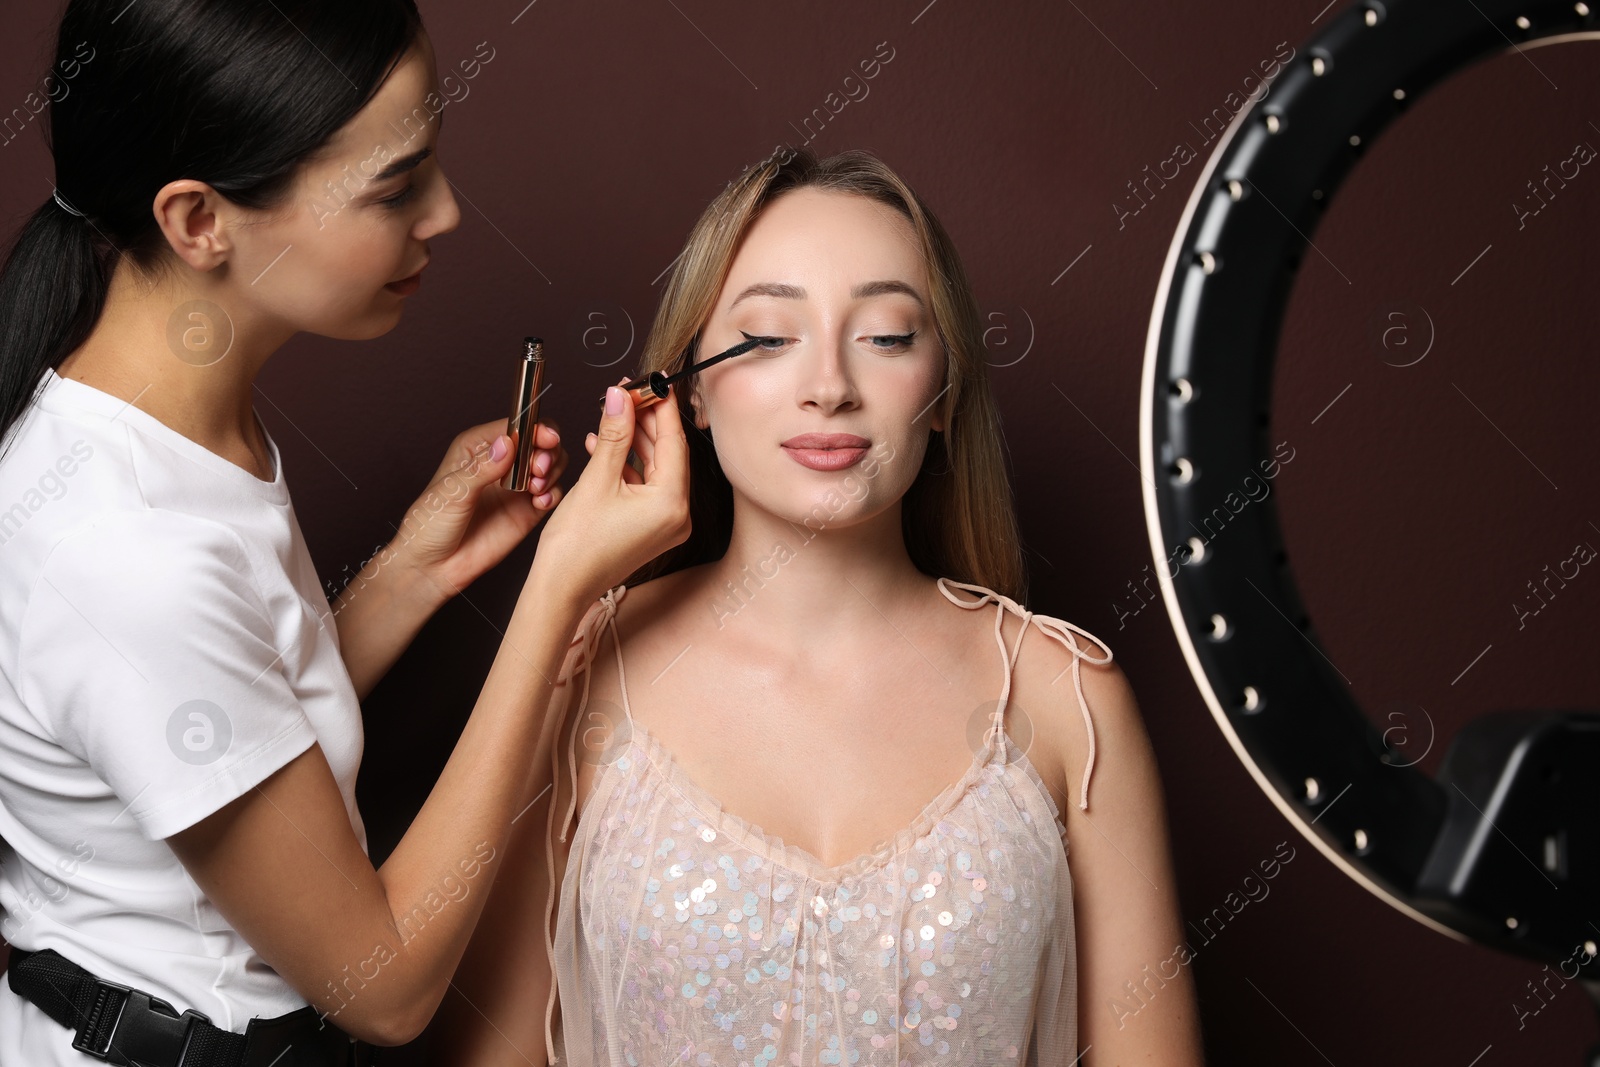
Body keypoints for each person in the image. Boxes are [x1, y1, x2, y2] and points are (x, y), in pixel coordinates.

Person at [0, 2, 690, 1064]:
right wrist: (560, 587)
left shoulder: (170, 431)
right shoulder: (125, 546)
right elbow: (389, 983)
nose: (447, 212)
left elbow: (225, 730)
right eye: (395, 184)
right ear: (199, 221)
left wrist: (416, 565)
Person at [435, 148, 1205, 1065]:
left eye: (884, 335)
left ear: (947, 392)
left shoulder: (1066, 697)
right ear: (691, 394)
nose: (829, 385)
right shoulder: (583, 668)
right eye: (766, 337)